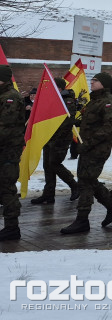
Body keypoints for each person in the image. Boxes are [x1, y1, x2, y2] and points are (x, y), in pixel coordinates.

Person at [60, 74, 112, 234]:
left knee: (85, 182)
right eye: (93, 80)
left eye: (96, 80)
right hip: (87, 147)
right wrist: (76, 122)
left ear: (104, 84)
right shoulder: (95, 100)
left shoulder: (108, 101)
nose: (92, 82)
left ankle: (82, 220)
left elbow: (109, 126)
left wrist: (88, 143)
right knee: (87, 179)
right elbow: (92, 121)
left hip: (97, 149)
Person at [29, 79, 79, 205]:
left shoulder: (67, 100)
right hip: (49, 137)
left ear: (59, 88)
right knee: (47, 166)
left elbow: (67, 121)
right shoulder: (52, 99)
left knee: (54, 164)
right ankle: (48, 195)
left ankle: (74, 185)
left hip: (60, 139)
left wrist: (57, 137)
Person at [0, 65, 26, 241]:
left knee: (7, 187)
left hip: (8, 150)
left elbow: (5, 127)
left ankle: (12, 228)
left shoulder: (11, 98)